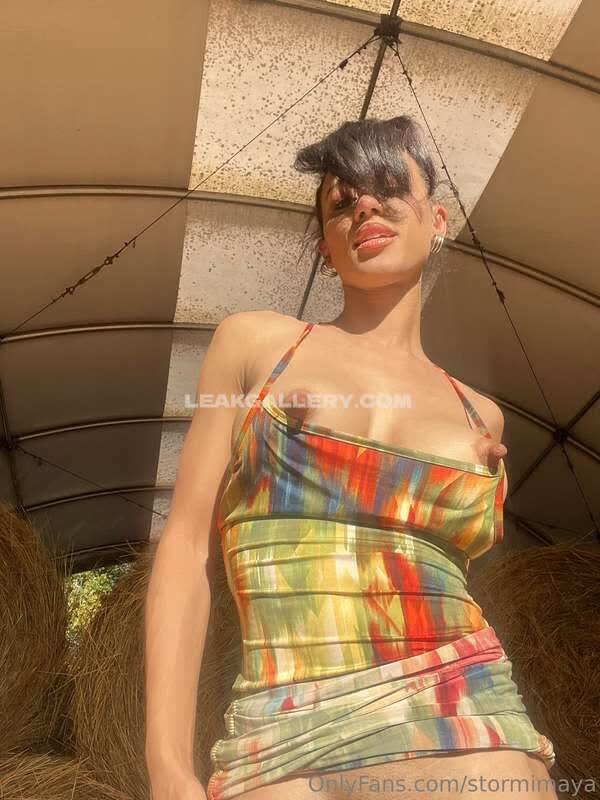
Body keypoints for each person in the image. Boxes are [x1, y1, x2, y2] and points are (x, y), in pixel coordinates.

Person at [144, 116, 557, 800]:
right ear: (326, 249)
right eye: (341, 202)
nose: (363, 204)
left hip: (470, 728)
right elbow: (186, 547)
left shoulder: (479, 416)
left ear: (438, 219)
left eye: (387, 186)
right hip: (282, 735)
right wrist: (166, 766)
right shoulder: (255, 346)